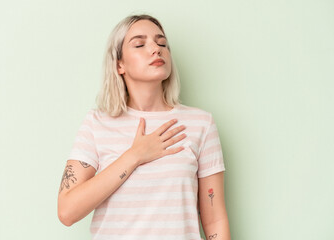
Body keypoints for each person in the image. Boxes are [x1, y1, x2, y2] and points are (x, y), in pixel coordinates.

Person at [58, 14, 231, 240]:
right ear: (119, 64)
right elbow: (67, 211)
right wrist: (135, 155)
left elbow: (215, 219)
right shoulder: (97, 123)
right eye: (140, 44)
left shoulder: (201, 124)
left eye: (162, 43)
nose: (156, 49)